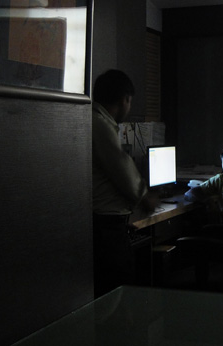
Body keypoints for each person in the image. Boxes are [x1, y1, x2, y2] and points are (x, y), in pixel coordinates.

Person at [91, 69, 157, 296]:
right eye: (130, 102)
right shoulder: (100, 125)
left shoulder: (93, 120)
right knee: (118, 293)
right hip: (106, 227)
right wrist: (144, 196)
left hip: (104, 224)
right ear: (124, 99)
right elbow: (121, 166)